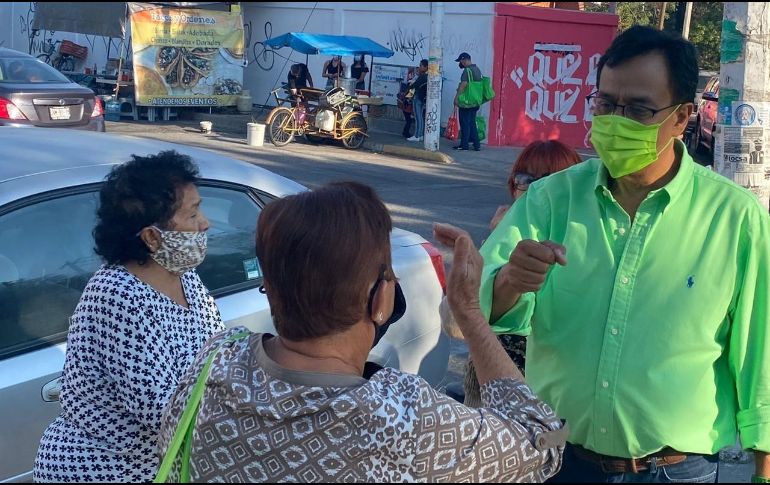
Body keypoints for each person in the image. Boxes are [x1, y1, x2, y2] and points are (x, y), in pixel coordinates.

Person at [479, 25, 770, 483]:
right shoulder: (549, 201)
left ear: (681, 118)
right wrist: (512, 280)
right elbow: (479, 310)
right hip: (559, 461)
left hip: (678, 469)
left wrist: (764, 466)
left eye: (638, 109)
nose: (615, 122)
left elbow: (759, 349)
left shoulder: (733, 218)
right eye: (605, 104)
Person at [157, 182, 567, 483]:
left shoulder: (214, 362)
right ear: (381, 300)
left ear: (272, 288)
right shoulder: (403, 415)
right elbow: (541, 440)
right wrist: (470, 311)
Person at [33, 151, 225, 483]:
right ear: (152, 237)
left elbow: (216, 357)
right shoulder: (118, 295)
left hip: (158, 466)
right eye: (193, 213)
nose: (205, 222)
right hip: (101, 470)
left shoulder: (184, 276)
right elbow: (164, 411)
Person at [445, 140, 582, 408]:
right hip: (491, 383)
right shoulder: (503, 236)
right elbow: (455, 323)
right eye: (526, 180)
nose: (538, 190)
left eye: (552, 180)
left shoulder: (583, 241)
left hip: (558, 390)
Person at [453, 52, 483, 152]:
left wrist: (456, 97)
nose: (460, 63)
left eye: (460, 61)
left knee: (464, 123)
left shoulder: (467, 70)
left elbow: (464, 84)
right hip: (475, 101)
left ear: (464, 59)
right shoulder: (477, 69)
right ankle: (476, 144)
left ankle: (464, 145)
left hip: (466, 102)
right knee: (472, 123)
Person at [407, 59, 429, 143]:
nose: (419, 67)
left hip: (418, 97)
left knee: (418, 117)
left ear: (426, 67)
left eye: (421, 66)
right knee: (420, 117)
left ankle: (417, 135)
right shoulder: (428, 76)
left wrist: (411, 83)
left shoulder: (423, 76)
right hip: (422, 98)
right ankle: (420, 135)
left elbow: (414, 86)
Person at [397, 68, 415, 139]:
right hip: (407, 107)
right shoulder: (411, 89)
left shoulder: (407, 88)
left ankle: (405, 132)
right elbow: (409, 98)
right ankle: (405, 132)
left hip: (405, 106)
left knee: (408, 120)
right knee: (409, 121)